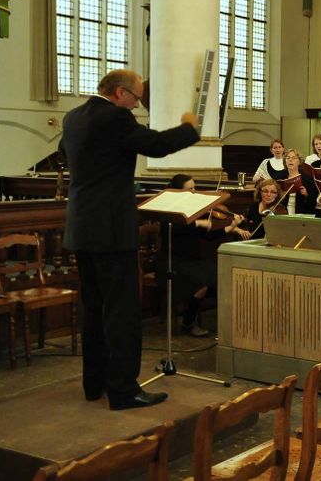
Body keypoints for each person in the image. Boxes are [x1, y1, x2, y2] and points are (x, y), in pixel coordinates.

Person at [58, 69, 200, 410]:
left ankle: (95, 384)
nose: (137, 105)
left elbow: (66, 156)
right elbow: (157, 146)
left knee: (92, 308)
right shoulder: (114, 117)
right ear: (120, 93)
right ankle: (123, 390)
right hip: (111, 230)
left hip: (81, 227)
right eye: (137, 98)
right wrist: (189, 129)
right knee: (121, 312)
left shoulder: (73, 117)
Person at [158, 174, 250, 339]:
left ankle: (230, 326)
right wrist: (197, 223)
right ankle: (188, 323)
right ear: (178, 192)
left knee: (220, 277)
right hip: (174, 261)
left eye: (195, 187)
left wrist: (233, 225)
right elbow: (175, 229)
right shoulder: (169, 211)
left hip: (193, 261)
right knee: (201, 284)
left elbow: (209, 235)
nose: (195, 192)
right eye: (190, 189)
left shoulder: (193, 210)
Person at [280, 149, 318, 215]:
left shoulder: (307, 178)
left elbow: (313, 201)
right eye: (288, 158)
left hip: (301, 212)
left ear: (299, 161)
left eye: (294, 158)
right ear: (285, 161)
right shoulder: (279, 176)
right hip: (283, 211)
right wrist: (280, 195)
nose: (290, 160)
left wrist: (306, 194)